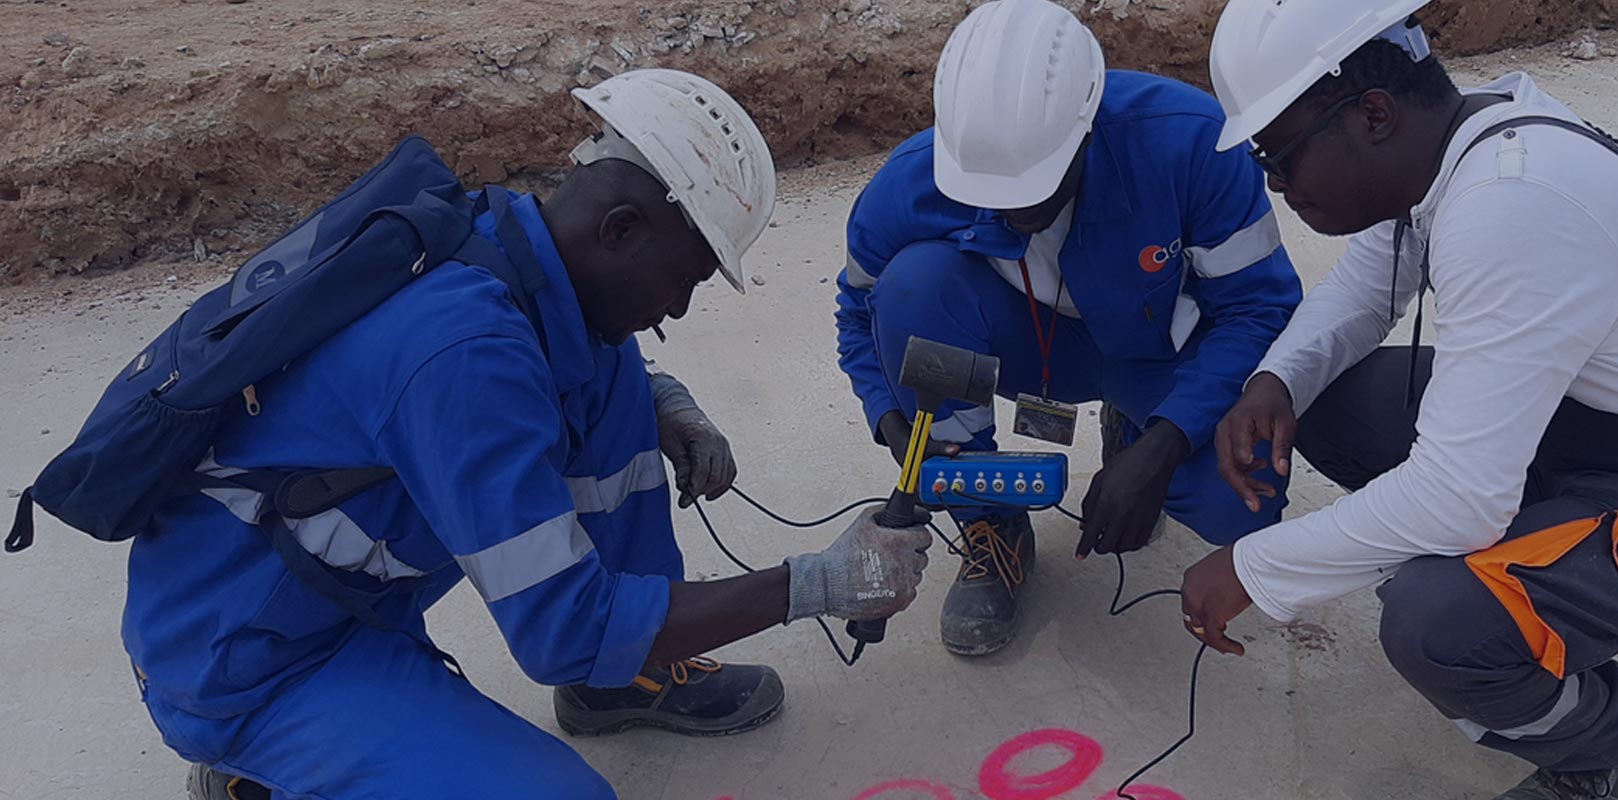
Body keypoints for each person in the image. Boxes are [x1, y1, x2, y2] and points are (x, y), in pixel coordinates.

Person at [122, 69, 935, 800]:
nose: (681, 309)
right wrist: (816, 584)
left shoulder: (499, 245)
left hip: (335, 607)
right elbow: (563, 631)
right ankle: (261, 770)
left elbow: (513, 390)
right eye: (686, 278)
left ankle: (624, 678)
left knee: (615, 369)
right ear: (620, 229)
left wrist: (660, 402)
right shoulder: (463, 352)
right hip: (251, 661)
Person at [1183, 2, 1618, 798]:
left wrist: (1253, 568)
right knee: (1331, 400)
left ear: (1372, 115)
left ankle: (1610, 751)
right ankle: (1542, 604)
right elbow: (1372, 285)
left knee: (1437, 623)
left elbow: (1456, 500)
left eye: (1280, 156)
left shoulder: (1513, 203)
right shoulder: (1460, 142)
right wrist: (1277, 382)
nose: (1275, 184)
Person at [834, 0, 1303, 657]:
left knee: (1242, 502)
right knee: (913, 286)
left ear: (1087, 128)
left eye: (1033, 185)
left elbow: (1259, 307)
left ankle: (1137, 421)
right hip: (1027, 345)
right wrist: (888, 413)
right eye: (989, 188)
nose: (1011, 206)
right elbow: (857, 313)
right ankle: (991, 526)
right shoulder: (910, 184)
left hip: (1155, 348)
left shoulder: (1190, 142)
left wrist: (1166, 441)